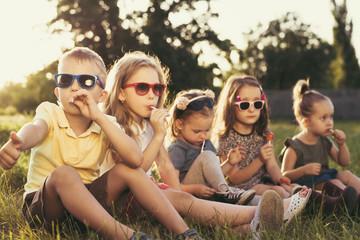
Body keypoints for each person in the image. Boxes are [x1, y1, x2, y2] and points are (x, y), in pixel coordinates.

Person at [0, 47, 205, 240]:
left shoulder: (106, 124)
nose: (74, 87)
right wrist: (20, 142)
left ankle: (185, 233)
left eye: (86, 81)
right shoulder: (50, 112)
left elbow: (136, 160)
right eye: (65, 80)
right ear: (57, 93)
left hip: (89, 206)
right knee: (64, 173)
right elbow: (36, 128)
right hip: (46, 207)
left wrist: (99, 118)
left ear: (102, 95)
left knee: (129, 170)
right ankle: (128, 236)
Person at [100, 51, 312, 237]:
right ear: (120, 92)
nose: (152, 95)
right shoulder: (113, 125)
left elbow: (164, 166)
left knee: (189, 207)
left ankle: (252, 229)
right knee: (186, 202)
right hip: (120, 201)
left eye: (157, 88)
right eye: (142, 87)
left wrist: (177, 199)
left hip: (150, 195)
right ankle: (271, 211)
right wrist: (158, 137)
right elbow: (135, 170)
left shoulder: (148, 124)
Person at [212, 74, 357, 215]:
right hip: (242, 189)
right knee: (280, 192)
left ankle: (337, 202)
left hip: (265, 181)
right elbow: (234, 178)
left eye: (257, 103)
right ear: (231, 105)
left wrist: (279, 178)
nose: (252, 109)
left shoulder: (262, 132)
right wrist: (260, 160)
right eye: (244, 104)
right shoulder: (226, 138)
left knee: (295, 187)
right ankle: (325, 207)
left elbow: (272, 165)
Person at [279, 79, 359, 213]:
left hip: (325, 177)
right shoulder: (294, 147)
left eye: (331, 117)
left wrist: (342, 144)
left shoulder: (324, 140)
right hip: (308, 185)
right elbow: (284, 176)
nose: (330, 123)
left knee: (346, 174)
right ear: (306, 122)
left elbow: (343, 162)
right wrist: (304, 170)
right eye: (323, 118)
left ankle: (356, 197)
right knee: (335, 184)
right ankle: (350, 206)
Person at [166, 88, 256, 205]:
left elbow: (214, 176)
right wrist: (194, 189)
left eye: (207, 130)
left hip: (208, 193)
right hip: (185, 197)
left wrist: (229, 163)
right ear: (179, 124)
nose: (203, 135)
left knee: (250, 199)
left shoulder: (205, 143)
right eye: (197, 131)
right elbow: (171, 186)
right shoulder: (177, 149)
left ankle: (281, 203)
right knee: (207, 156)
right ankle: (227, 193)